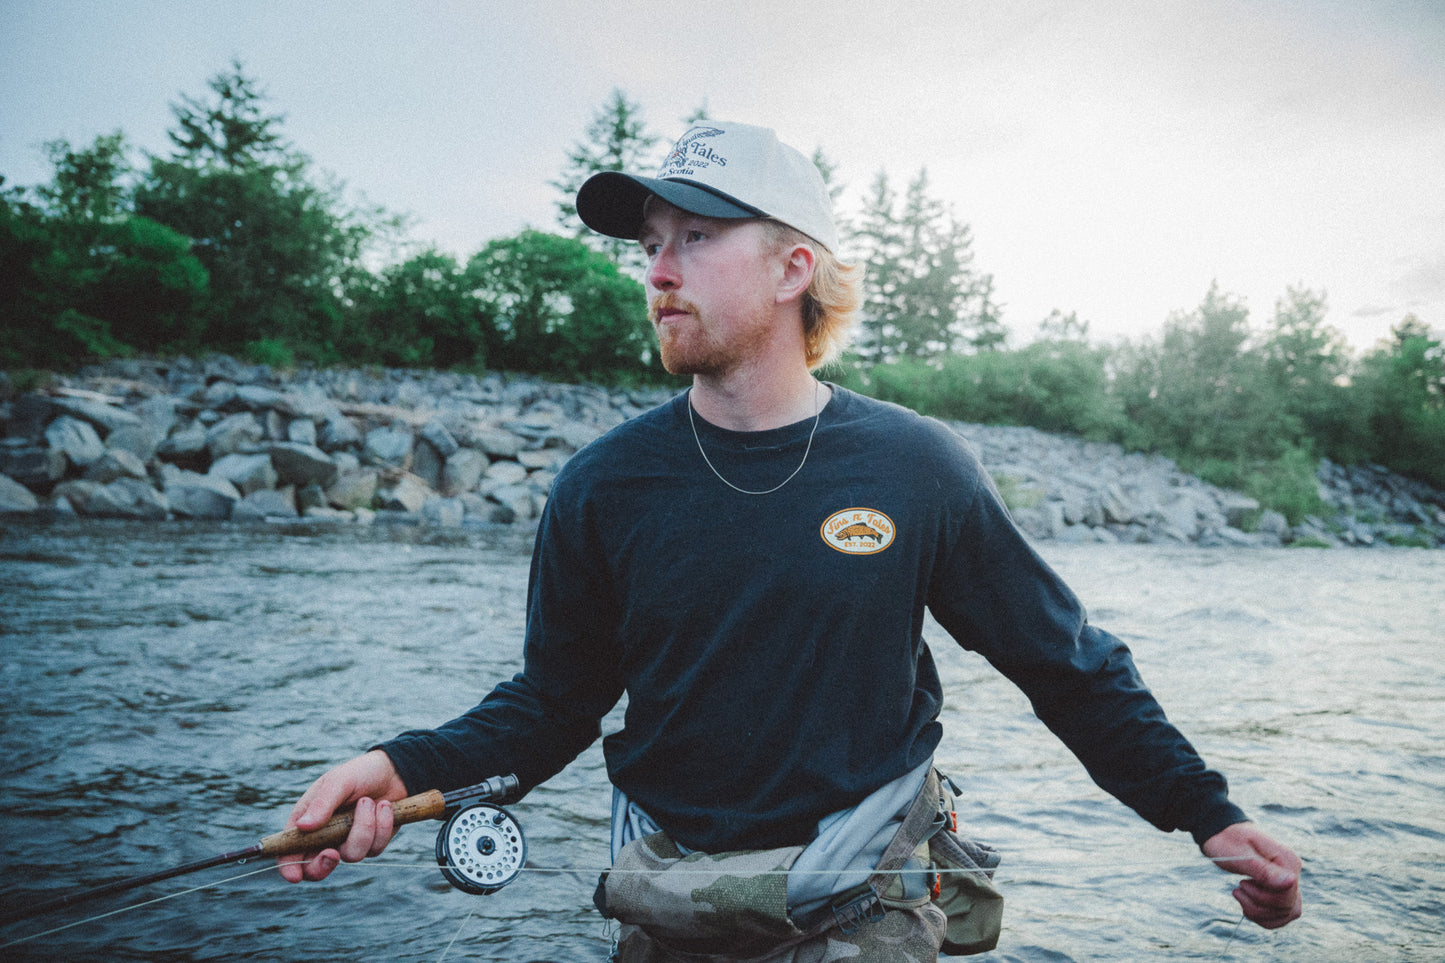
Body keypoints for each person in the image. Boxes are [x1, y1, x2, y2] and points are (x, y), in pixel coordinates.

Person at [279, 121, 1302, 959]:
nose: (658, 271)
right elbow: (551, 707)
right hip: (667, 898)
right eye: (649, 246)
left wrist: (1203, 812)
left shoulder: (913, 467)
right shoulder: (602, 486)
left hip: (864, 899)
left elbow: (1064, 665)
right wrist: (397, 766)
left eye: (694, 238)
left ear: (791, 269)